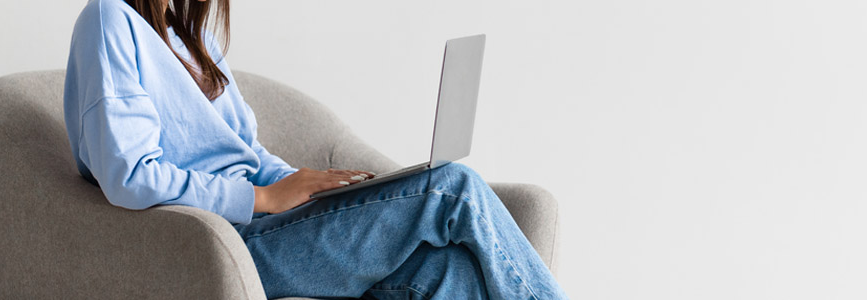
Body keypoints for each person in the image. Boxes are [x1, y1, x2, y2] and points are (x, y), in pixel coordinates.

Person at [63, 0, 568, 298]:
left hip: (272, 225)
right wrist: (263, 199)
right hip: (224, 244)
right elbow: (129, 174)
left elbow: (246, 152)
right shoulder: (110, 19)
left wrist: (310, 187)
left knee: (449, 272)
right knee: (453, 190)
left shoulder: (189, 37)